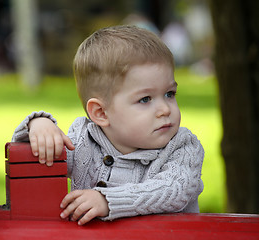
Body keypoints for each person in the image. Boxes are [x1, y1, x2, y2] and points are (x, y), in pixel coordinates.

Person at [11, 25, 204, 226]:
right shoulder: (84, 141)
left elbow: (173, 190)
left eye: (169, 94)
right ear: (101, 113)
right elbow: (38, 158)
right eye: (146, 99)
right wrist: (39, 126)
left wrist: (107, 200)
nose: (165, 109)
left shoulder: (182, 147)